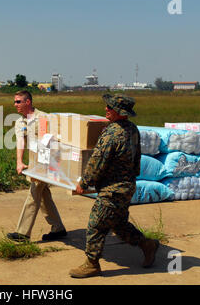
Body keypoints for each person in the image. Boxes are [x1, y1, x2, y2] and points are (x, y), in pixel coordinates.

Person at [69, 93, 159, 278]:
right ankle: (147, 245)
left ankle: (92, 264)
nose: (106, 109)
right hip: (126, 187)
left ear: (118, 111)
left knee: (96, 225)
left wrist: (84, 183)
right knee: (118, 224)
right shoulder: (133, 129)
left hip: (113, 190)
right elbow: (137, 159)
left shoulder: (111, 134)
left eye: (109, 107)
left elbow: (97, 162)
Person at [7, 90, 67, 242]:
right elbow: (20, 142)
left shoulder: (43, 118)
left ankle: (22, 233)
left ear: (28, 102)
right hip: (35, 162)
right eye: (15, 102)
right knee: (43, 195)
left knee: (34, 193)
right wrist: (19, 162)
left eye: (18, 101)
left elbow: (53, 142)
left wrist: (47, 165)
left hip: (46, 161)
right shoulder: (20, 122)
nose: (15, 105)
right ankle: (58, 228)